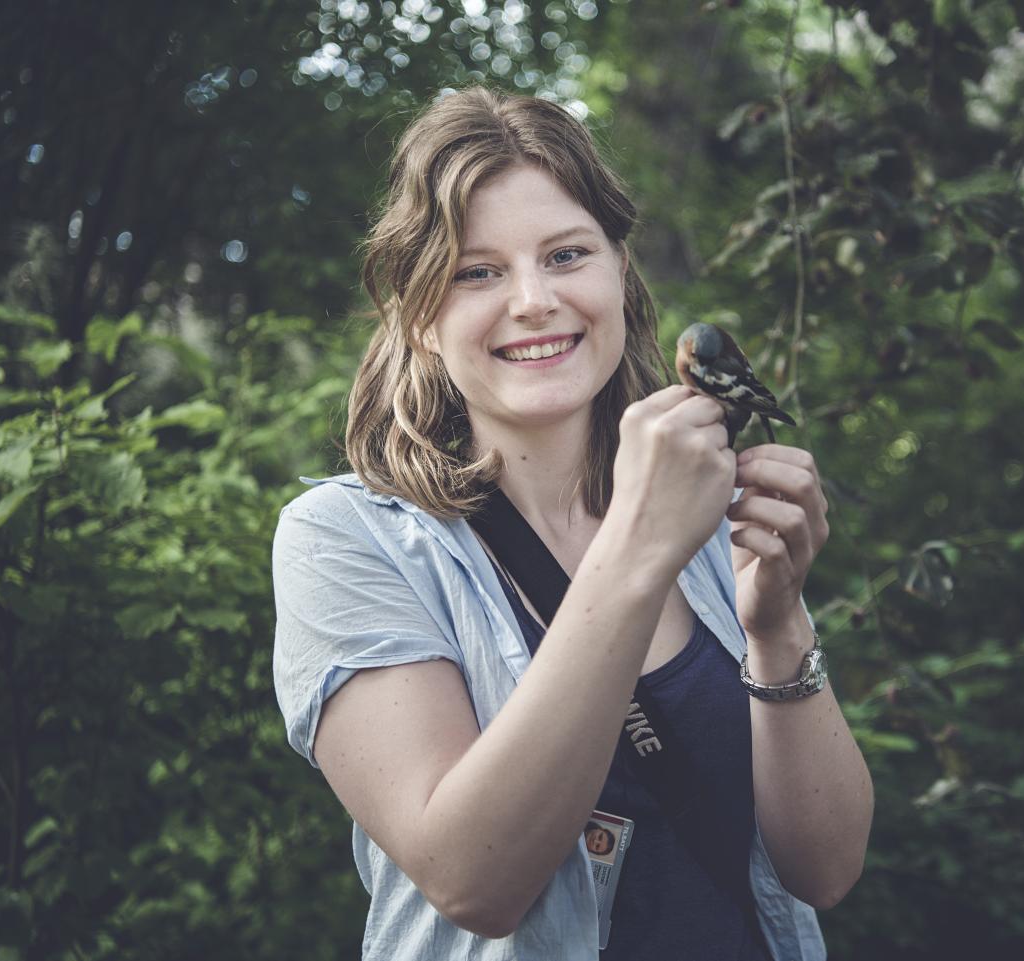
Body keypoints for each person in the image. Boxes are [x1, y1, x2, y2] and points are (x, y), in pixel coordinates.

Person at [271, 84, 873, 961]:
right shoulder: (345, 540)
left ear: (618, 272)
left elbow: (824, 870)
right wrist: (636, 547)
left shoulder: (710, 513)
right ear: (418, 317)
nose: (534, 300)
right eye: (478, 272)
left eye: (565, 254)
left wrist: (777, 626)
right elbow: (475, 882)